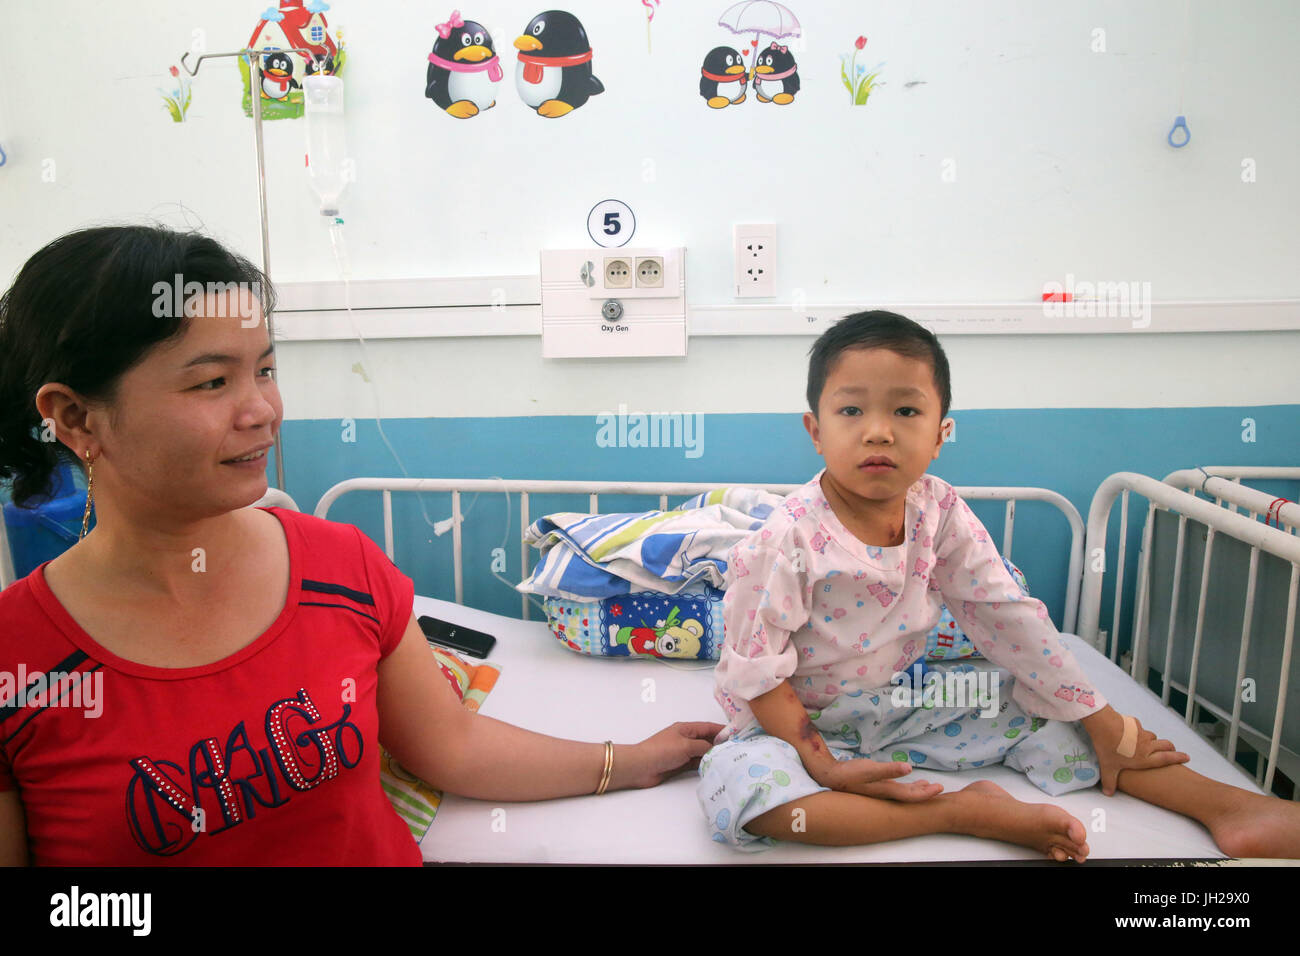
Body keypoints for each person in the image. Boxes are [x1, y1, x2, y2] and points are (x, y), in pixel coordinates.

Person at [0, 224, 721, 866]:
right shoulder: (17, 661)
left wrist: (630, 760)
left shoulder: (338, 566)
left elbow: (454, 748)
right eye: (214, 381)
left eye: (266, 370)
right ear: (74, 417)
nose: (263, 411)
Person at [696, 310, 1300, 860]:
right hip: (785, 724)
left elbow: (1007, 616)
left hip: (897, 704)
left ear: (940, 434)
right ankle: (963, 811)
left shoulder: (939, 511)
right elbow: (757, 674)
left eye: (906, 411)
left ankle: (1230, 806)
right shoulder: (787, 540)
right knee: (756, 802)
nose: (878, 431)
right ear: (815, 429)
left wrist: (1101, 717)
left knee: (1049, 706)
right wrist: (823, 767)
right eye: (851, 410)